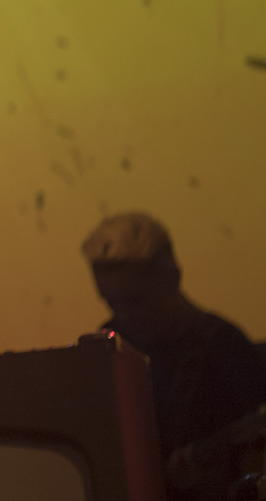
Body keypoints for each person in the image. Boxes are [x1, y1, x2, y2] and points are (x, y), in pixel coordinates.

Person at [82, 211, 266, 500]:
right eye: (111, 301)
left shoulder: (226, 349)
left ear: (172, 278)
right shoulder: (111, 346)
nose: (123, 315)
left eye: (135, 300)